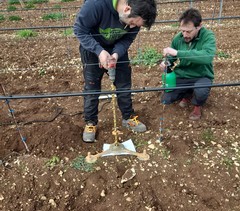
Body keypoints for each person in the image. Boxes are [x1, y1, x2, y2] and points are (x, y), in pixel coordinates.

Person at [74, 0, 157, 142]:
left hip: (116, 49)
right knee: (92, 87)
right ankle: (90, 123)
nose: (131, 27)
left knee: (124, 85)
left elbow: (127, 39)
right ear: (127, 9)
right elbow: (80, 30)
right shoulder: (96, 5)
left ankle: (128, 117)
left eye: (135, 26)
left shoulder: (137, 17)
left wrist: (117, 54)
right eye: (131, 23)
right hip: (92, 49)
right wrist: (99, 52)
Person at [159, 8, 216, 121]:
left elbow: (207, 57)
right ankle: (187, 94)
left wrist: (178, 52)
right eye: (182, 31)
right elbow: (172, 57)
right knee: (167, 98)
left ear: (199, 26)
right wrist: (166, 63)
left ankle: (197, 106)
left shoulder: (208, 36)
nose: (184, 34)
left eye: (188, 31)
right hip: (183, 75)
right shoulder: (178, 38)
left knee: (201, 91)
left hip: (201, 75)